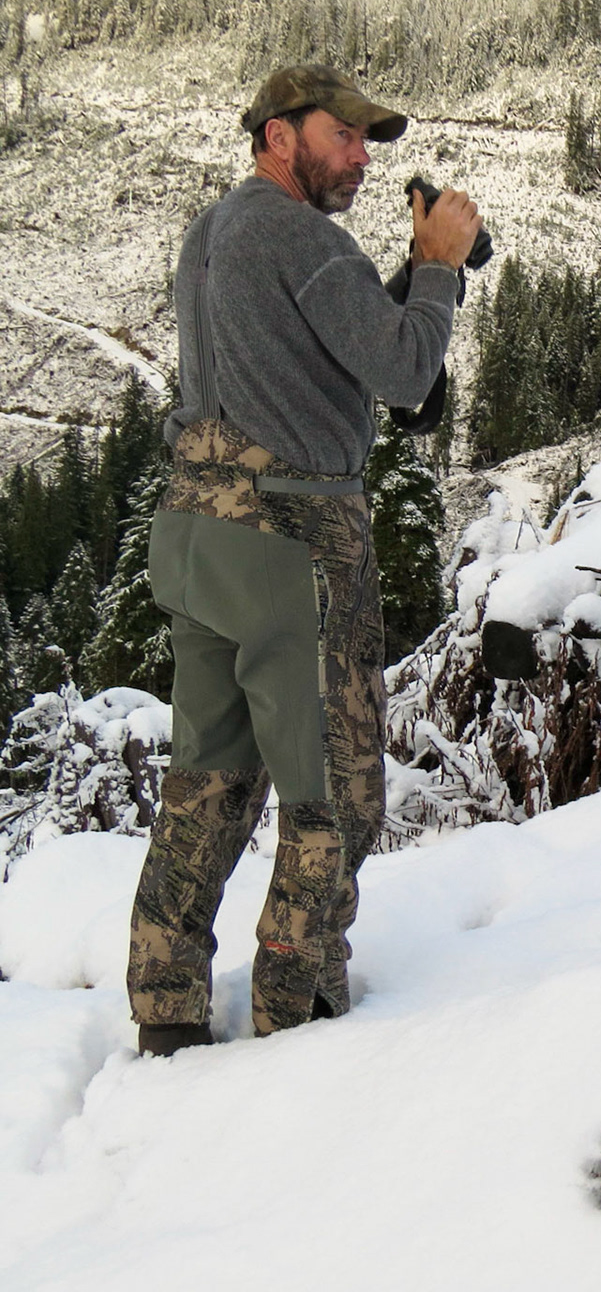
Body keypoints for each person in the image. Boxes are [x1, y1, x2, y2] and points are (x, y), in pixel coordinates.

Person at [127, 64, 484, 1055]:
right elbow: (408, 372)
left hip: (200, 533)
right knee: (336, 790)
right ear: (278, 135)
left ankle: (166, 1008)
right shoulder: (302, 235)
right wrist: (440, 267)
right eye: (344, 136)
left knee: (211, 775)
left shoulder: (215, 233)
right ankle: (301, 1016)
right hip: (294, 535)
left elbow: (317, 355)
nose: (363, 158)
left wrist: (402, 280)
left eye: (370, 142)